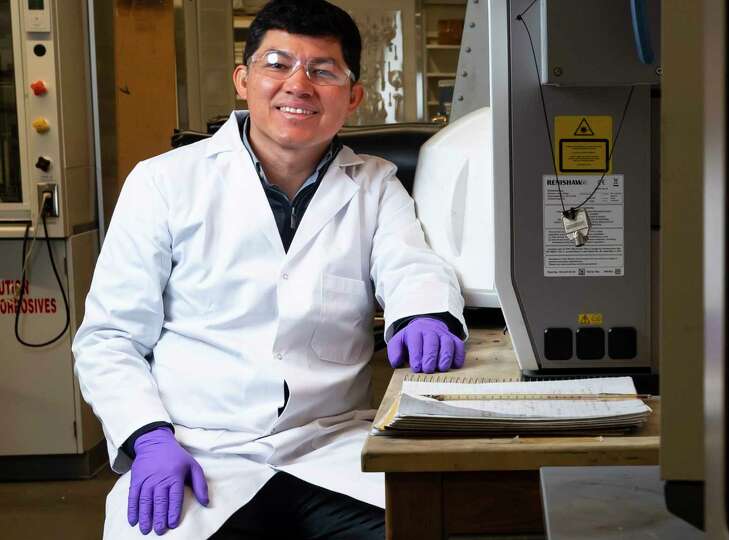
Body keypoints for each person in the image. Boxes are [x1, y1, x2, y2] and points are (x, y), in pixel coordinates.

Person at [73, 1, 467, 537]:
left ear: (352, 97)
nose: (298, 85)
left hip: (329, 447)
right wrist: (149, 437)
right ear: (243, 80)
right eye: (277, 64)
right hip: (198, 451)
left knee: (425, 527)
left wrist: (425, 315)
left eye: (323, 71)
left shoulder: (375, 183)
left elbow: (410, 265)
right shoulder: (163, 183)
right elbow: (110, 336)